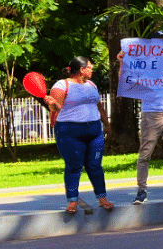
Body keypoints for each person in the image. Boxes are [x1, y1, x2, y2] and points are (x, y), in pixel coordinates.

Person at [117, 43, 163, 204]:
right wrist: (123, 62)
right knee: (145, 154)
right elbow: (124, 81)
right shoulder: (142, 68)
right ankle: (141, 190)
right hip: (151, 114)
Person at [44, 57, 114, 213]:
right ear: (82, 69)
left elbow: (99, 105)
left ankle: (102, 198)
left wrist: (107, 124)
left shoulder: (91, 85)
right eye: (90, 67)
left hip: (94, 130)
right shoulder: (62, 85)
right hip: (70, 131)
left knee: (95, 165)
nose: (92, 69)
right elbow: (56, 107)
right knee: (74, 167)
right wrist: (52, 103)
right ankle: (72, 201)